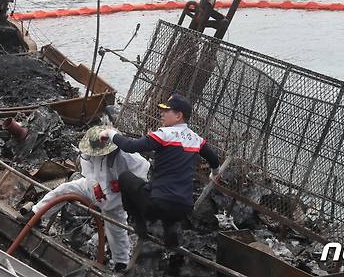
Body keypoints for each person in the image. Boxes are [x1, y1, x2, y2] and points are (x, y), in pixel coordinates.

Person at [23, 126, 150, 273]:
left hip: (116, 196)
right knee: (65, 190)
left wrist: (122, 185)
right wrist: (94, 184)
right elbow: (87, 168)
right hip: (93, 187)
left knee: (116, 226)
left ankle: (121, 263)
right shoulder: (90, 151)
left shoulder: (127, 155)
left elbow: (142, 171)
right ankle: (36, 214)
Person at [99, 94, 220, 248]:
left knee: (125, 178)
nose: (162, 114)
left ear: (178, 115)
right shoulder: (197, 140)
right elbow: (214, 159)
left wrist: (110, 133)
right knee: (168, 197)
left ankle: (139, 226)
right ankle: (170, 236)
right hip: (183, 209)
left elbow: (130, 146)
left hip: (157, 205)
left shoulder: (164, 135)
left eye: (166, 111)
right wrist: (214, 174)